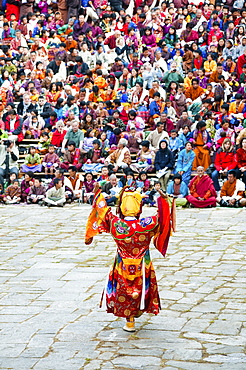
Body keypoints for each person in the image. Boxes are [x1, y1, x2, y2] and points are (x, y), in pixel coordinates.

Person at [85, 181, 175, 332]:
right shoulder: (147, 224)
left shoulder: (116, 224)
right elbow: (163, 216)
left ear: (122, 206)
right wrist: (165, 200)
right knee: (140, 288)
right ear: (138, 206)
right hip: (142, 265)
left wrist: (97, 193)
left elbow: (102, 210)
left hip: (122, 264)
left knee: (124, 289)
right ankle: (138, 311)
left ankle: (130, 321)